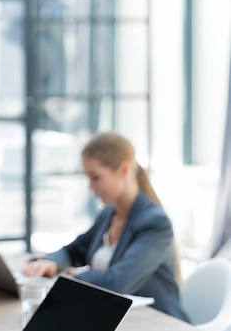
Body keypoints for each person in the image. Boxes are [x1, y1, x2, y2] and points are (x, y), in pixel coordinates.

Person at [21, 131, 191, 322]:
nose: (90, 187)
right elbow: (75, 250)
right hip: (115, 318)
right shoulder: (107, 214)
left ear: (124, 170)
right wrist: (51, 263)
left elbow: (118, 282)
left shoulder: (155, 224)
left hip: (159, 323)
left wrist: (77, 275)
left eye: (96, 177)